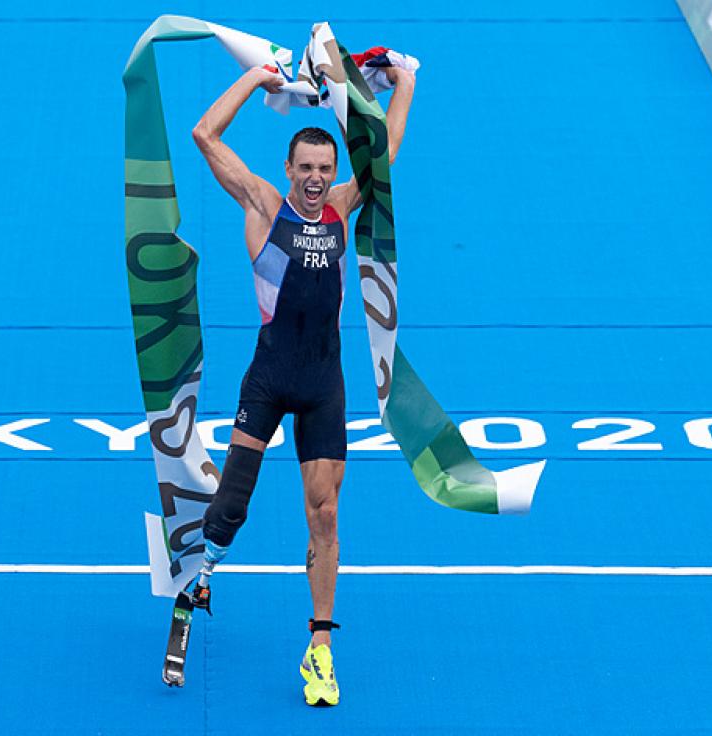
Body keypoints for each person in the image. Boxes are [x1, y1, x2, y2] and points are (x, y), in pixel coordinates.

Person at [190, 62, 415, 706]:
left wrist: (406, 86)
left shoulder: (343, 206)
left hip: (322, 381)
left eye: (325, 168)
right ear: (290, 171)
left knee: (325, 512)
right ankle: (200, 570)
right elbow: (206, 135)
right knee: (233, 505)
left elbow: (386, 155)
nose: (317, 179)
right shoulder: (263, 204)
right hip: (269, 377)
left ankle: (320, 648)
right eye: (306, 169)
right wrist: (256, 78)